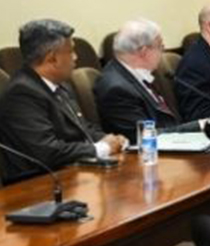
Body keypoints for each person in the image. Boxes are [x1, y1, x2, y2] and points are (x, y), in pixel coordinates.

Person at [0, 19, 128, 184]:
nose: (76, 57)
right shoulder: (21, 94)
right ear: (52, 58)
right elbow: (47, 151)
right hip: (39, 186)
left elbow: (82, 128)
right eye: (71, 51)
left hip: (73, 173)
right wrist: (101, 148)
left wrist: (111, 139)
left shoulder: (59, 84)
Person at [93, 18, 208, 143]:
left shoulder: (135, 74)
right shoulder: (116, 88)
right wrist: (198, 126)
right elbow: (143, 136)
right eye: (160, 46)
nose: (162, 52)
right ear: (143, 52)